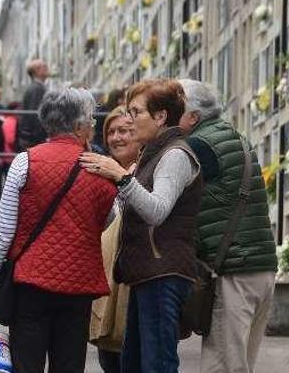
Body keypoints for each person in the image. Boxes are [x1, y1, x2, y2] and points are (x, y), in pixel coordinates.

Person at [0, 88, 119, 373]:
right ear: (79, 126)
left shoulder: (25, 161)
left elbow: (3, 229)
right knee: (69, 363)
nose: (93, 126)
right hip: (78, 285)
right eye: (91, 121)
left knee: (26, 362)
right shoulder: (100, 168)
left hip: (30, 283)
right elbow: (110, 217)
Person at [79, 78, 202, 373]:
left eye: (136, 113)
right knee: (133, 363)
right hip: (147, 272)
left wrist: (120, 177)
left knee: (156, 363)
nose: (130, 121)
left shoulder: (175, 155)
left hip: (163, 272)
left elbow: (157, 210)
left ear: (160, 116)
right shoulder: (155, 151)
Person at [178, 79, 278, 373]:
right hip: (260, 267)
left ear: (193, 116)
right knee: (241, 362)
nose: (165, 115)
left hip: (233, 272)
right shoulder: (235, 138)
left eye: (173, 108)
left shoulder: (198, 145)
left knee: (221, 366)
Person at [89, 106, 141, 373]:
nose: (116, 137)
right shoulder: (98, 173)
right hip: (104, 278)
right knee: (108, 358)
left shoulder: (147, 171)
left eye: (125, 131)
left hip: (134, 279)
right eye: (111, 131)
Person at [16, 59, 50, 150]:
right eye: (43, 66)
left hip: (31, 138)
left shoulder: (36, 87)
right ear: (36, 71)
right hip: (33, 141)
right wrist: (42, 138)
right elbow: (35, 114)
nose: (46, 67)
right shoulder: (37, 89)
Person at [0, 101, 20, 176]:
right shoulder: (12, 121)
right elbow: (10, 140)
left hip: (4, 155)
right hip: (10, 156)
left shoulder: (6, 119)